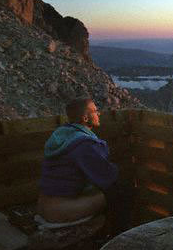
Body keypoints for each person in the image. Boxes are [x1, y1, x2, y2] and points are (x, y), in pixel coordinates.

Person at [37, 97, 132, 233]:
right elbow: (108, 177)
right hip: (60, 211)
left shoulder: (64, 136)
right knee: (122, 191)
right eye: (95, 111)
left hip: (43, 206)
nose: (99, 114)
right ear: (85, 118)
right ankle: (120, 237)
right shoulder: (84, 144)